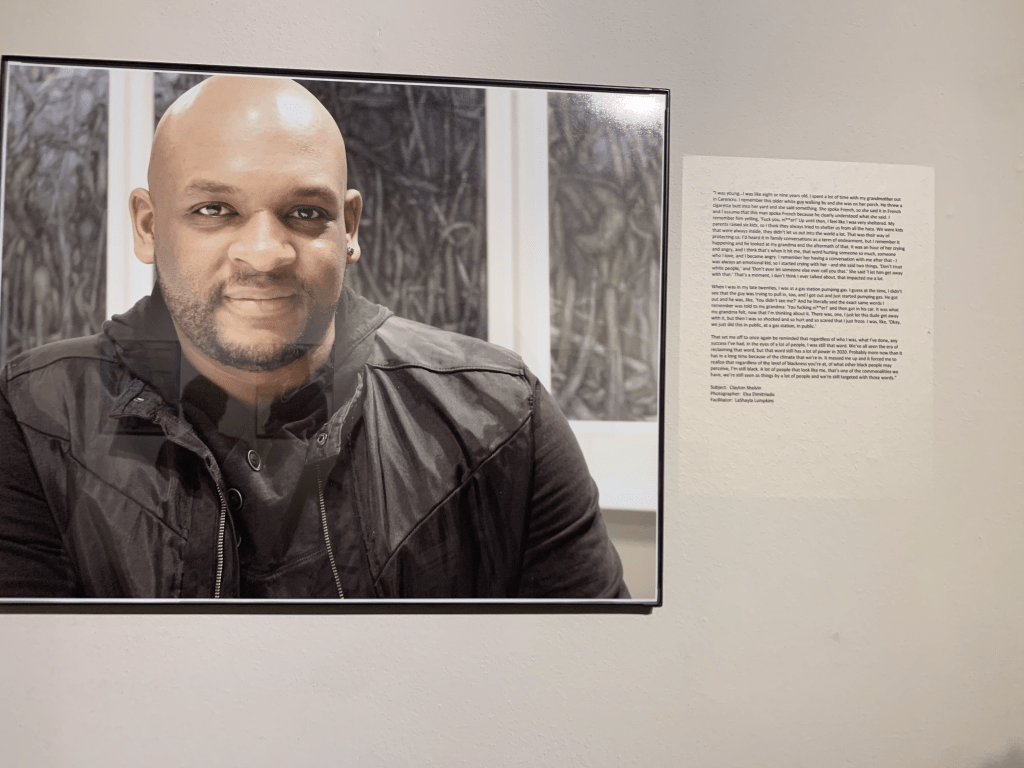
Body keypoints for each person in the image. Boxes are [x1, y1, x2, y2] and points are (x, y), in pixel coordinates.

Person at [0, 75, 628, 600]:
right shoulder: (34, 420)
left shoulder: (500, 419)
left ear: (348, 227)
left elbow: (590, 693)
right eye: (214, 210)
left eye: (305, 213)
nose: (266, 254)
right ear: (147, 225)